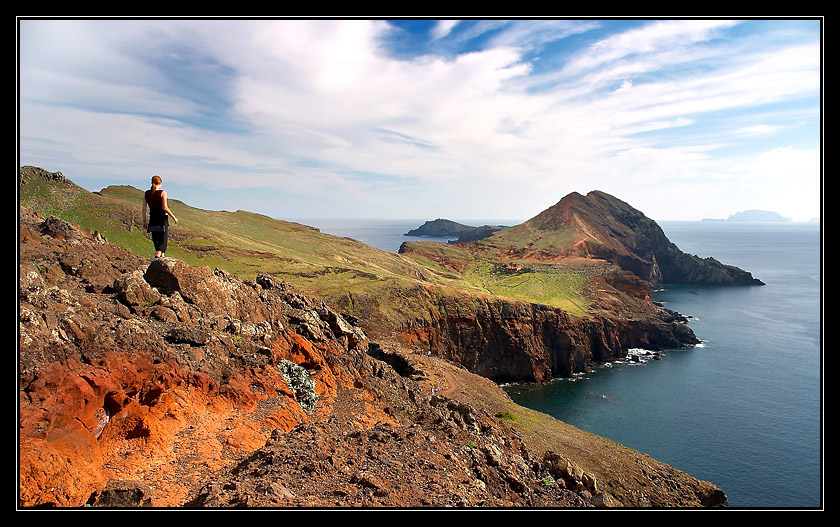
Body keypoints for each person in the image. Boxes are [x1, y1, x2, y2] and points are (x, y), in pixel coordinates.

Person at [142, 175, 178, 258]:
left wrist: (144, 221)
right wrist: (173, 217)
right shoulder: (162, 193)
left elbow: (144, 209)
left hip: (153, 219)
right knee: (162, 243)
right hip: (161, 219)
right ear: (160, 183)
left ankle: (161, 261)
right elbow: (164, 207)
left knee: (157, 241)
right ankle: (157, 259)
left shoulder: (147, 194)